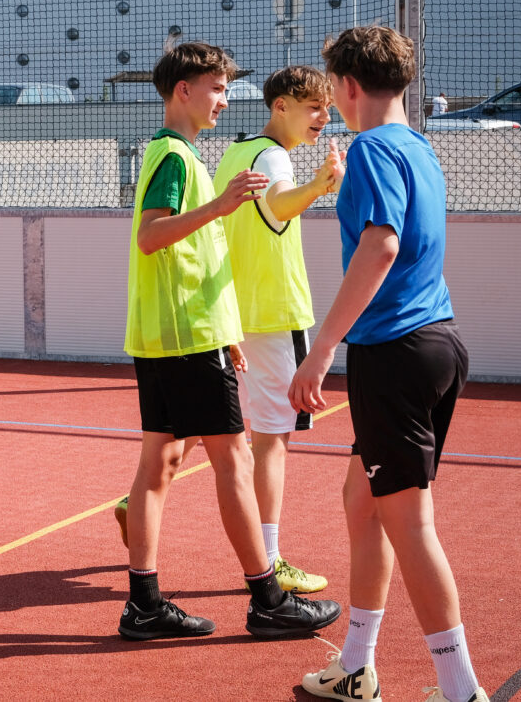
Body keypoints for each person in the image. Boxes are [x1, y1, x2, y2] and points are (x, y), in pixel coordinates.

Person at [118, 42, 341, 642]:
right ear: (182, 91)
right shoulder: (174, 158)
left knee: (160, 462)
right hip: (186, 336)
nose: (224, 99)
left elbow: (196, 252)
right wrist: (218, 206)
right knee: (235, 458)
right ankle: (268, 598)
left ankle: (144, 603)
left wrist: (228, 332)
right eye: (215, 88)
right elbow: (149, 236)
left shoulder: (185, 154)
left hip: (176, 334)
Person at [294, 27, 486, 702]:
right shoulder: (419, 149)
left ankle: (460, 688)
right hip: (436, 340)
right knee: (361, 501)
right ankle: (355, 665)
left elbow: (380, 245)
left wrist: (321, 349)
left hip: (394, 352)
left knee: (409, 522)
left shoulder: (374, 146)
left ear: (347, 86)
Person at [211, 66, 344, 594]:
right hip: (272, 313)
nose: (323, 117)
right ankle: (269, 559)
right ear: (280, 105)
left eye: (327, 108)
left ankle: (143, 494)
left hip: (232, 312)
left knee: (217, 427)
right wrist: (319, 185)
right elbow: (279, 202)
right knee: (272, 438)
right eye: (313, 107)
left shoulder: (236, 153)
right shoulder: (273, 156)